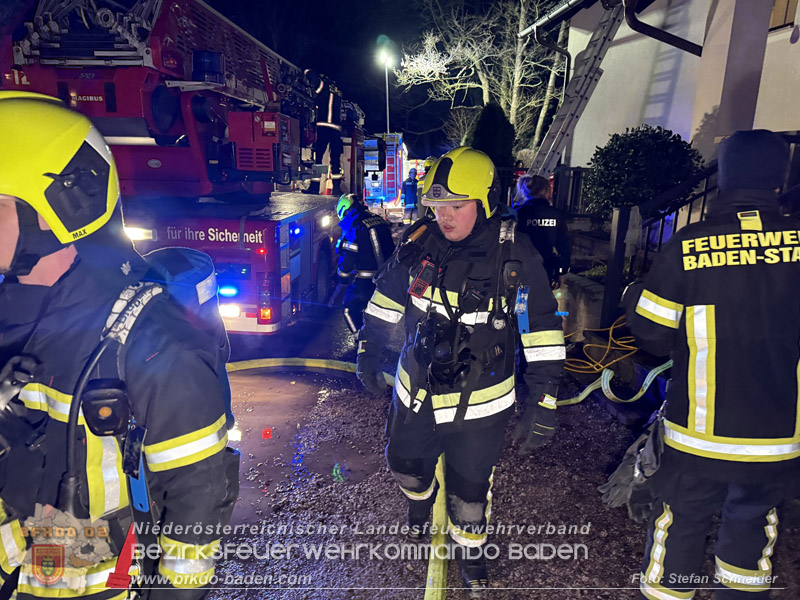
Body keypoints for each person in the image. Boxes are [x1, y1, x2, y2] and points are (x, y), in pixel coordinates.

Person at [0, 91, 237, 599]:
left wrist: (178, 592)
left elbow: (198, 490)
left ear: (56, 210)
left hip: (98, 582)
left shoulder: (151, 340)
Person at [355, 147, 565, 595]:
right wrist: (370, 351)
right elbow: (389, 299)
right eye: (438, 206)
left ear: (485, 201)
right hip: (417, 393)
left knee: (470, 493)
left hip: (481, 403)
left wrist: (543, 401)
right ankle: (419, 502)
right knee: (405, 465)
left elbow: (542, 330)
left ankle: (470, 554)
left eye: (457, 205)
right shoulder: (420, 243)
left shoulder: (515, 257)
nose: (445, 217)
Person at [625, 129, 799, 600]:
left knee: (679, 525)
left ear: (724, 175)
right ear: (778, 178)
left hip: (698, 436)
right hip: (775, 438)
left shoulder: (690, 245)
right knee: (753, 534)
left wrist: (633, 296)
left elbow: (653, 334)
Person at [333, 194, 395, 334]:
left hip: (366, 280)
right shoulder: (379, 220)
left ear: (344, 210)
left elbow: (348, 259)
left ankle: (361, 342)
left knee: (349, 310)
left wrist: (343, 277)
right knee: (374, 311)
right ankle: (376, 341)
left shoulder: (354, 226)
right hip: (387, 278)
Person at [515, 174, 571, 288]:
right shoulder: (556, 214)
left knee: (520, 301)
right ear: (546, 191)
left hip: (521, 266)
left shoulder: (519, 213)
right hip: (546, 267)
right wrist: (562, 268)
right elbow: (564, 243)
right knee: (543, 301)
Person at [305, 70, 344, 196]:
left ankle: (315, 186)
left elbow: (313, 79)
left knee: (319, 157)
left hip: (323, 126)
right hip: (336, 128)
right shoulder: (338, 90)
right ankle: (336, 188)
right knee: (335, 159)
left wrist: (306, 71)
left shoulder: (323, 85)